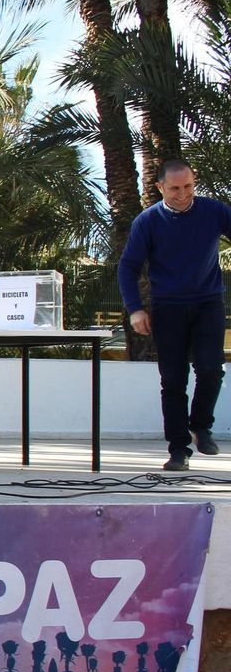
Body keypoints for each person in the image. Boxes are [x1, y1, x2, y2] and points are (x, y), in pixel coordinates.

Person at [118, 159, 231, 471]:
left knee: (211, 369)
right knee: (173, 380)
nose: (183, 194)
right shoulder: (148, 221)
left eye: (188, 187)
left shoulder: (214, 211)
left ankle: (201, 426)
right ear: (160, 188)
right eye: (175, 189)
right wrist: (135, 309)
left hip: (208, 302)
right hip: (168, 307)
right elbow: (128, 267)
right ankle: (178, 450)